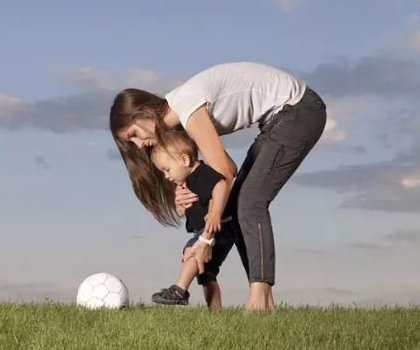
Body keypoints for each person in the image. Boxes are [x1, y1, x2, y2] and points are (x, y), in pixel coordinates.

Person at [109, 62, 327, 311]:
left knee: (250, 202)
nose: (138, 145)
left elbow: (223, 172)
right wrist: (184, 191)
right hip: (278, 120)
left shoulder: (187, 107)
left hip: (299, 110)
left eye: (134, 134)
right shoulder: (180, 123)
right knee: (238, 206)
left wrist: (205, 238)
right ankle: (263, 302)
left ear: (145, 112)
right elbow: (228, 168)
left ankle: (259, 300)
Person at [148, 130, 236, 310]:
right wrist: (180, 207)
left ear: (185, 160)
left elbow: (220, 185)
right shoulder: (190, 180)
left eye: (167, 169)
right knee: (206, 275)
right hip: (215, 229)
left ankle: (180, 290)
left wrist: (214, 213)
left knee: (192, 250)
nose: (167, 176)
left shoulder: (200, 175)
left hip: (217, 228)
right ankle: (216, 312)